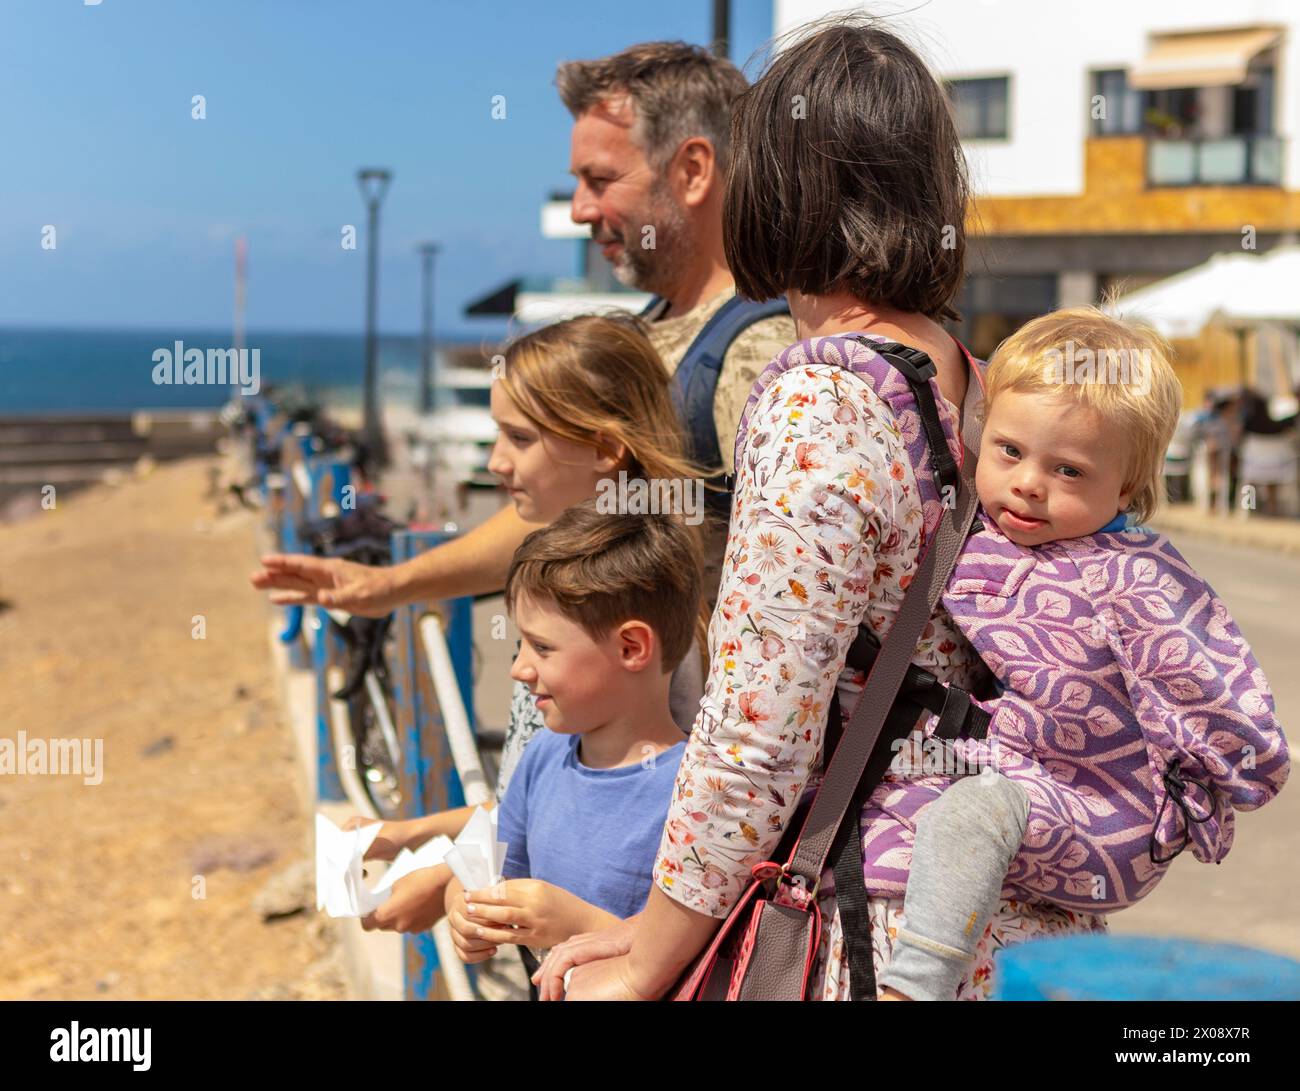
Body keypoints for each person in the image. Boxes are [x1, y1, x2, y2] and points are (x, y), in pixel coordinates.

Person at [537, 16, 1108, 1002]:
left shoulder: (822, 400)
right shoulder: (972, 388)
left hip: (871, 925)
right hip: (1000, 916)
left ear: (776, 187)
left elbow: (760, 729)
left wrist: (648, 950)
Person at [249, 40, 793, 619]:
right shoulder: (657, 328)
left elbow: (790, 593)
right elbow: (555, 511)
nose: (581, 209)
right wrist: (388, 586)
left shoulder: (756, 354)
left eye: (600, 179)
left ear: (692, 170)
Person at [878, 307, 1289, 1001]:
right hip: (1025, 771)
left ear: (1124, 488)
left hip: (1109, 810)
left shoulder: (1135, 575)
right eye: (1009, 451)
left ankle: (910, 988)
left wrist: (1193, 797)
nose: (1029, 483)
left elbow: (1229, 702)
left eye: (1067, 469)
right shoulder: (979, 530)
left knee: (971, 814)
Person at [346, 313, 704, 936]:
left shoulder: (642, 637)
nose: (495, 462)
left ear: (603, 447)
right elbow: (539, 792)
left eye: (518, 437)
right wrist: (413, 841)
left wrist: (441, 874)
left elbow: (613, 817)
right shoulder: (577, 602)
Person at [443, 503, 700, 978]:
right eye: (520, 644)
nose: (519, 669)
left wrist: (575, 924)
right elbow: (484, 865)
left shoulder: (695, 792)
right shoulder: (543, 755)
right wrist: (461, 900)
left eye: (541, 647)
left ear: (631, 648)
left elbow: (690, 962)